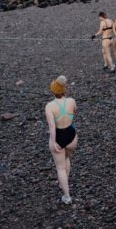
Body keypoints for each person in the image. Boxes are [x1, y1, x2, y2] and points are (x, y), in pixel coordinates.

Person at [45, 76, 78, 205]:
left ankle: (67, 196)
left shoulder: (49, 106)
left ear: (53, 92)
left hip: (59, 136)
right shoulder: (71, 101)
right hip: (72, 136)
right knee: (66, 159)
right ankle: (64, 182)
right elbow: (74, 112)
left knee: (60, 168)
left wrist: (53, 142)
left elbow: (52, 127)